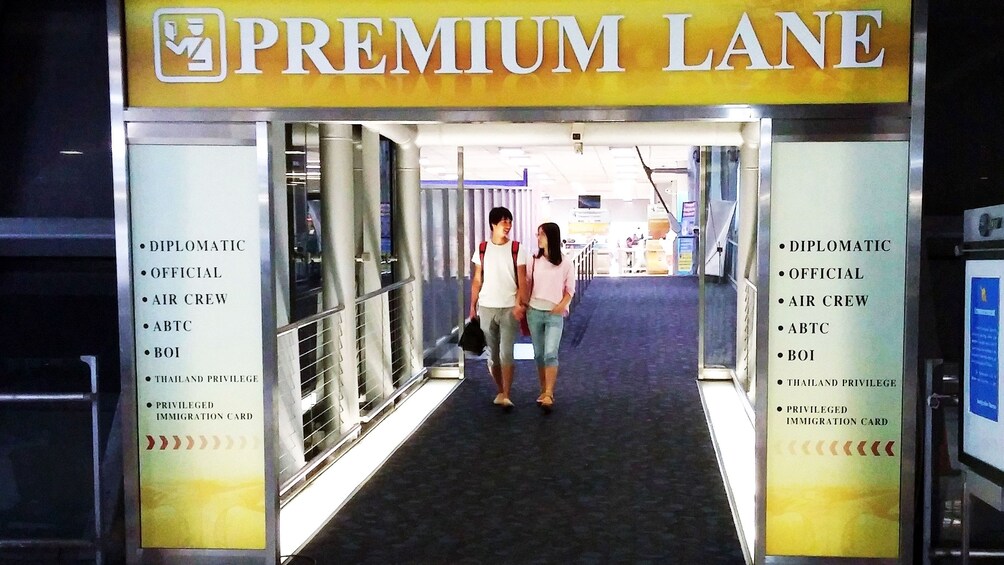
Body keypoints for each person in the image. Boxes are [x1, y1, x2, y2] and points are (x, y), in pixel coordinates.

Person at [468, 207, 528, 410]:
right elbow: (477, 279)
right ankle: (501, 390)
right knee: (492, 354)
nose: (508, 226)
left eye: (510, 222)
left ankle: (507, 394)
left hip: (509, 307)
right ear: (493, 224)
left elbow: (522, 280)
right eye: (504, 222)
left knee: (506, 353)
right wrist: (472, 306)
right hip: (486, 306)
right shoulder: (482, 248)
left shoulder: (517, 249)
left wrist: (521, 304)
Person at [524, 222, 576, 413]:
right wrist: (525, 303)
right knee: (538, 354)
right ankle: (543, 389)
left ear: (551, 237)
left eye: (542, 235)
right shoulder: (533, 260)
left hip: (555, 313)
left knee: (550, 353)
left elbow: (570, 289)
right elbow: (527, 283)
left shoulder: (565, 262)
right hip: (535, 311)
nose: (538, 238)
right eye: (538, 235)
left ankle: (549, 392)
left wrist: (561, 306)